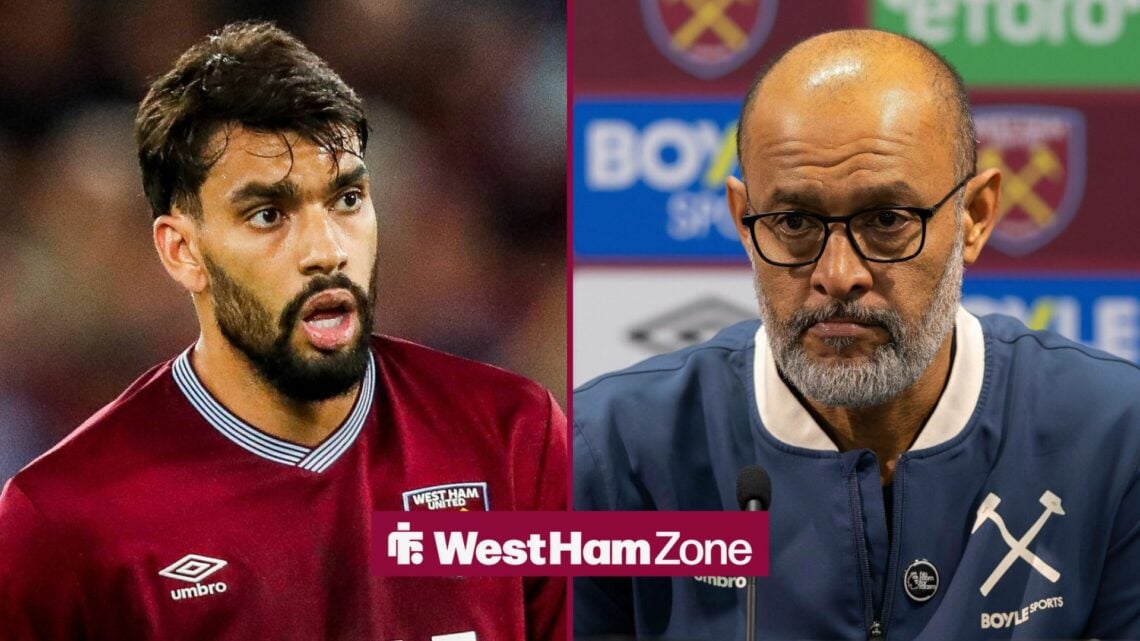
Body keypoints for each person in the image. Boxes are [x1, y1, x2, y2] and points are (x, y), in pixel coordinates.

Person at [0, 21, 567, 641]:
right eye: (268, 214)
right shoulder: (62, 518)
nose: (326, 250)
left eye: (346, 200)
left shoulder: (511, 436)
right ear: (182, 251)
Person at [573, 29, 1140, 640]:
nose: (838, 275)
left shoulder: (1115, 435)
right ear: (744, 222)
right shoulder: (610, 454)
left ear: (973, 217)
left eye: (888, 221)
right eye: (793, 222)